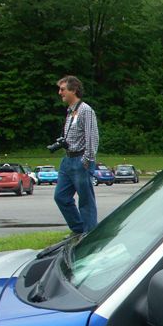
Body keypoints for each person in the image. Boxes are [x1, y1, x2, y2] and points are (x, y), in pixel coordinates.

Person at [54, 75, 99, 235]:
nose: (60, 93)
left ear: (73, 90)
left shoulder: (86, 110)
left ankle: (90, 234)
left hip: (81, 160)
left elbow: (92, 138)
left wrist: (86, 160)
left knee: (85, 201)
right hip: (68, 160)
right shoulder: (70, 111)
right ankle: (79, 230)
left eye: (63, 89)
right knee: (61, 197)